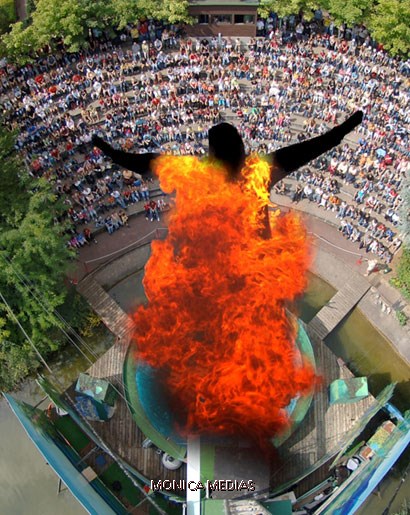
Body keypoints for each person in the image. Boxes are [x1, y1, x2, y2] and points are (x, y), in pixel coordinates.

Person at [92, 111, 363, 190]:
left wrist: (110, 151)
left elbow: (146, 162)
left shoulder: (196, 173)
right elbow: (309, 148)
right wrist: (342, 130)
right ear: (242, 148)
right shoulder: (260, 170)